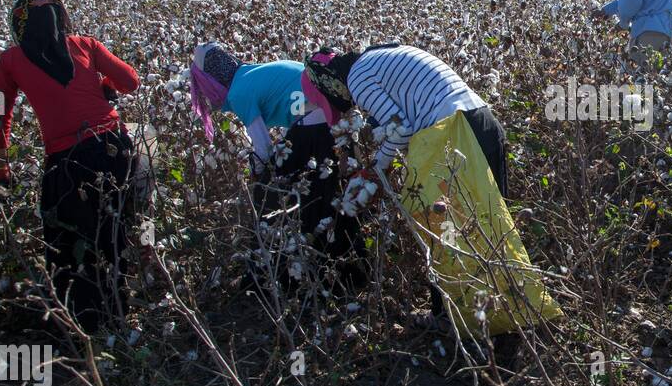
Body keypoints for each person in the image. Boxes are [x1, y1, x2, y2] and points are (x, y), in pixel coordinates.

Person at [300, 44, 561, 337]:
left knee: (441, 227)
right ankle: (511, 310)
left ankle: (450, 318)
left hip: (456, 138)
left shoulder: (357, 79)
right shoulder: (378, 57)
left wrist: (375, 170)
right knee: (489, 227)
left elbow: (402, 128)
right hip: (481, 124)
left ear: (329, 82)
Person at [0, 0, 140, 331]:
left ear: (20, 23)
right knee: (112, 233)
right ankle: (117, 316)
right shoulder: (86, 45)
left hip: (66, 164)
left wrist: (1, 168)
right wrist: (102, 81)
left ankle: (81, 324)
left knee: (67, 244)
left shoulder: (10, 61)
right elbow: (130, 81)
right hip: (115, 151)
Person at [188, 44, 360, 267]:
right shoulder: (249, 73)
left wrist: (257, 175)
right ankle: (335, 251)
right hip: (327, 114)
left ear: (211, 80)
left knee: (275, 190)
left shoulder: (239, 92)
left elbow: (264, 149)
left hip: (314, 121)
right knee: (325, 187)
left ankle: (280, 258)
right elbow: (294, 104)